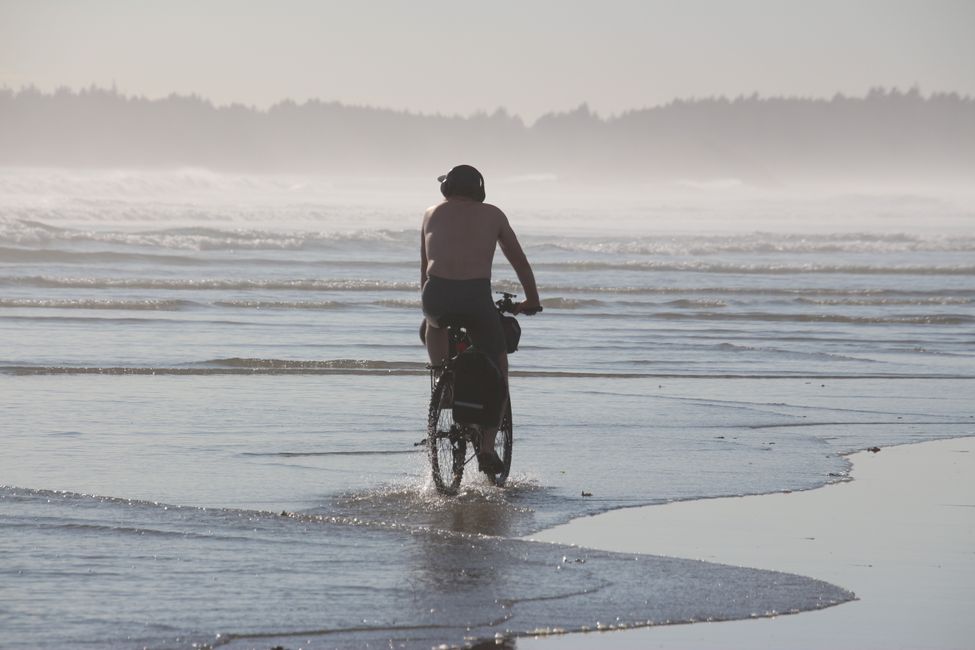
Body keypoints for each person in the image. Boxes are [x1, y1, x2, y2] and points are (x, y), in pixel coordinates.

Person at [420, 164, 541, 475]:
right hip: (475, 299)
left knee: (432, 325)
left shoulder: (430, 213)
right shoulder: (494, 214)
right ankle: (487, 447)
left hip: (434, 296)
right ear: (480, 190)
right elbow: (519, 261)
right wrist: (532, 300)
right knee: (498, 363)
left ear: (446, 189)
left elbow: (425, 271)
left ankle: (441, 378)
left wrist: (432, 302)